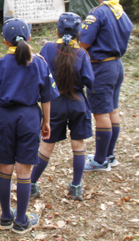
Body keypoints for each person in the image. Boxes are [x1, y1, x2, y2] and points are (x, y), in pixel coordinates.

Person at [0, 18, 58, 234]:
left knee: (5, 168)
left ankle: (5, 216)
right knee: (24, 170)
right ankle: (21, 221)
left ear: (4, 40)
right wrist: (46, 121)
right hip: (29, 117)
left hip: (5, 118)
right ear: (29, 38)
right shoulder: (39, 62)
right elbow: (47, 97)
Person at [29, 13, 94, 201]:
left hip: (54, 104)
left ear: (57, 30)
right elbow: (89, 81)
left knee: (47, 146)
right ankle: (76, 186)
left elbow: (39, 72)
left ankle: (32, 184)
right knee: (78, 146)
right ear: (78, 33)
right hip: (78, 104)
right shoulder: (82, 53)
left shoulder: (48, 49)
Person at [80, 0, 133, 171]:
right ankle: (109, 155)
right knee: (112, 111)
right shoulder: (122, 13)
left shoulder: (99, 13)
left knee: (101, 113)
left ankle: (100, 161)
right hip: (117, 66)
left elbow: (84, 42)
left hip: (101, 67)